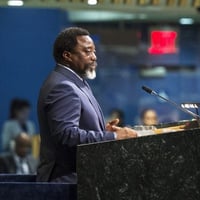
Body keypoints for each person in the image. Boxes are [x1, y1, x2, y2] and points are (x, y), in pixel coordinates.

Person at [37, 27, 137, 183]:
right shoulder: (62, 86)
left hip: (81, 178)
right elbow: (66, 135)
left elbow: (73, 128)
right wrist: (115, 136)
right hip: (66, 183)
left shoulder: (76, 83)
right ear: (67, 55)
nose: (94, 57)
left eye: (94, 52)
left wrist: (101, 130)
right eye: (88, 52)